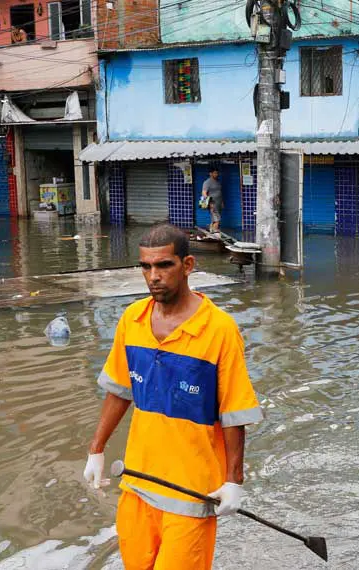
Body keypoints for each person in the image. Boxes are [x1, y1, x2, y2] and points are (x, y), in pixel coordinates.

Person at [83, 223, 263, 569]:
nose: (154, 276)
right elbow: (119, 391)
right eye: (146, 267)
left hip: (190, 491)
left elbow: (234, 412)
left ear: (188, 265)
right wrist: (96, 449)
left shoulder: (219, 330)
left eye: (164, 265)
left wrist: (233, 480)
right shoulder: (132, 320)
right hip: (138, 480)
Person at [201, 167, 223, 234]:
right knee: (217, 218)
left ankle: (211, 230)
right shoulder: (207, 182)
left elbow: (219, 192)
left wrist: (222, 202)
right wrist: (209, 203)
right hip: (212, 203)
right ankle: (215, 232)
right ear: (210, 173)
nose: (217, 174)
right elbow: (204, 193)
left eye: (217, 173)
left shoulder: (217, 181)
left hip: (218, 203)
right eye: (215, 173)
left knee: (214, 218)